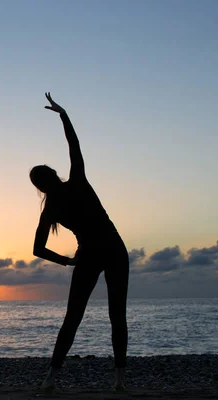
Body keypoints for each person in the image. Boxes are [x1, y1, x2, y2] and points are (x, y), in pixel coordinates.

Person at [31, 93, 129, 391]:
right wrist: (63, 114)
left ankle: (51, 378)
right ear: (52, 175)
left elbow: (37, 249)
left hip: (90, 253)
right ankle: (119, 381)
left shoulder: (51, 209)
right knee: (116, 316)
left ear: (39, 186)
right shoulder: (76, 182)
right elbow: (74, 145)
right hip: (112, 248)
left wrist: (67, 260)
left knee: (73, 318)